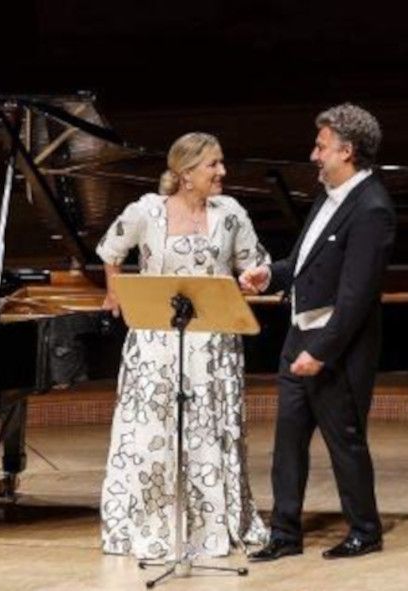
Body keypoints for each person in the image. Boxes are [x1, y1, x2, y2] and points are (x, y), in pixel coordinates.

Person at [96, 132, 270, 560]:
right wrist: (115, 292)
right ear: (185, 173)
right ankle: (154, 525)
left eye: (221, 163)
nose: (222, 172)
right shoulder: (147, 211)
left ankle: (211, 526)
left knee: (211, 434)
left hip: (213, 351)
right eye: (213, 164)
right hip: (157, 347)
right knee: (154, 435)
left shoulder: (230, 213)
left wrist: (255, 277)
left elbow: (257, 262)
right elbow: (110, 250)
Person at [241, 103, 395, 561]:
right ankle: (284, 534)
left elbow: (356, 296)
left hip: (336, 347)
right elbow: (303, 265)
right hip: (299, 338)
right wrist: (269, 275)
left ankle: (365, 531)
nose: (313, 155)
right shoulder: (328, 199)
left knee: (344, 439)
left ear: (347, 151)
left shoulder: (372, 207)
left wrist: (323, 351)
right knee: (288, 440)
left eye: (321, 146)